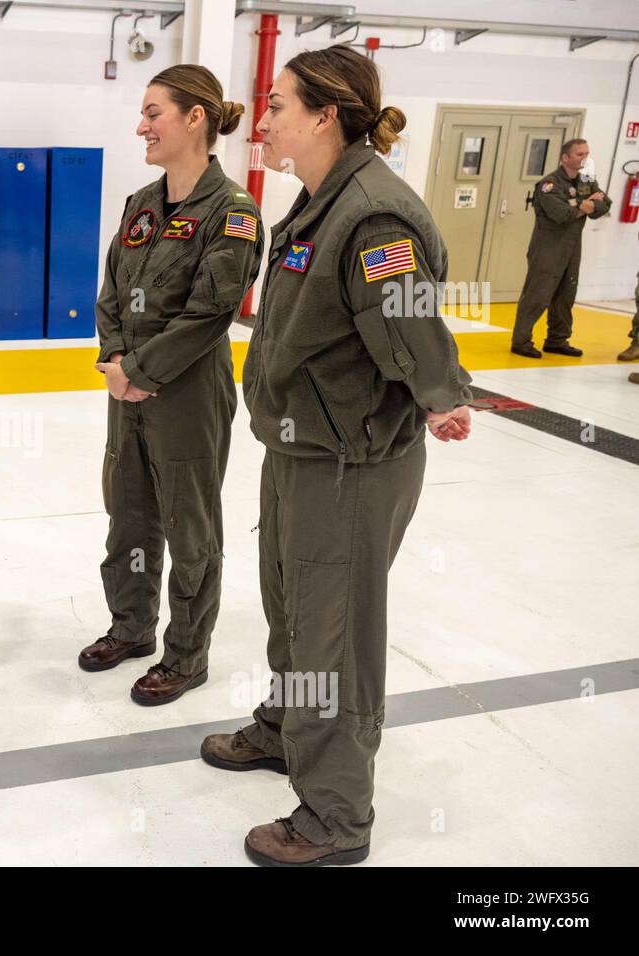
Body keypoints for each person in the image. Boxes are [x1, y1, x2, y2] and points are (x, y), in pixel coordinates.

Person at [201, 44, 473, 866]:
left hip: (351, 462)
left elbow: (412, 319)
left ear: (325, 114)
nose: (266, 118)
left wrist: (442, 392)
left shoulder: (372, 214)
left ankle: (334, 816)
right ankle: (289, 729)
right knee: (291, 610)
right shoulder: (320, 199)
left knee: (333, 638)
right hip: (300, 451)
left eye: (278, 104)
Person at [80, 65, 262, 706]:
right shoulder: (141, 205)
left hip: (186, 394)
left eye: (154, 112)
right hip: (126, 387)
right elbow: (109, 293)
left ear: (195, 119)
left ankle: (186, 655)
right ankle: (132, 628)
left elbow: (210, 313)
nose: (141, 126)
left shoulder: (234, 213)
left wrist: (140, 371)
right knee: (128, 516)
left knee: (190, 529)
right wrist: (115, 360)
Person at [510, 139, 611, 358]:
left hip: (572, 247)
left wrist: (582, 205)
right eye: (579, 154)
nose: (584, 158)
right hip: (549, 247)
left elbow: (605, 204)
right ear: (565, 157)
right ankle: (521, 340)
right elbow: (561, 215)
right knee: (538, 294)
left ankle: (557, 339)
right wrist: (585, 205)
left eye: (586, 153)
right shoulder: (550, 184)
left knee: (566, 294)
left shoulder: (586, 181)